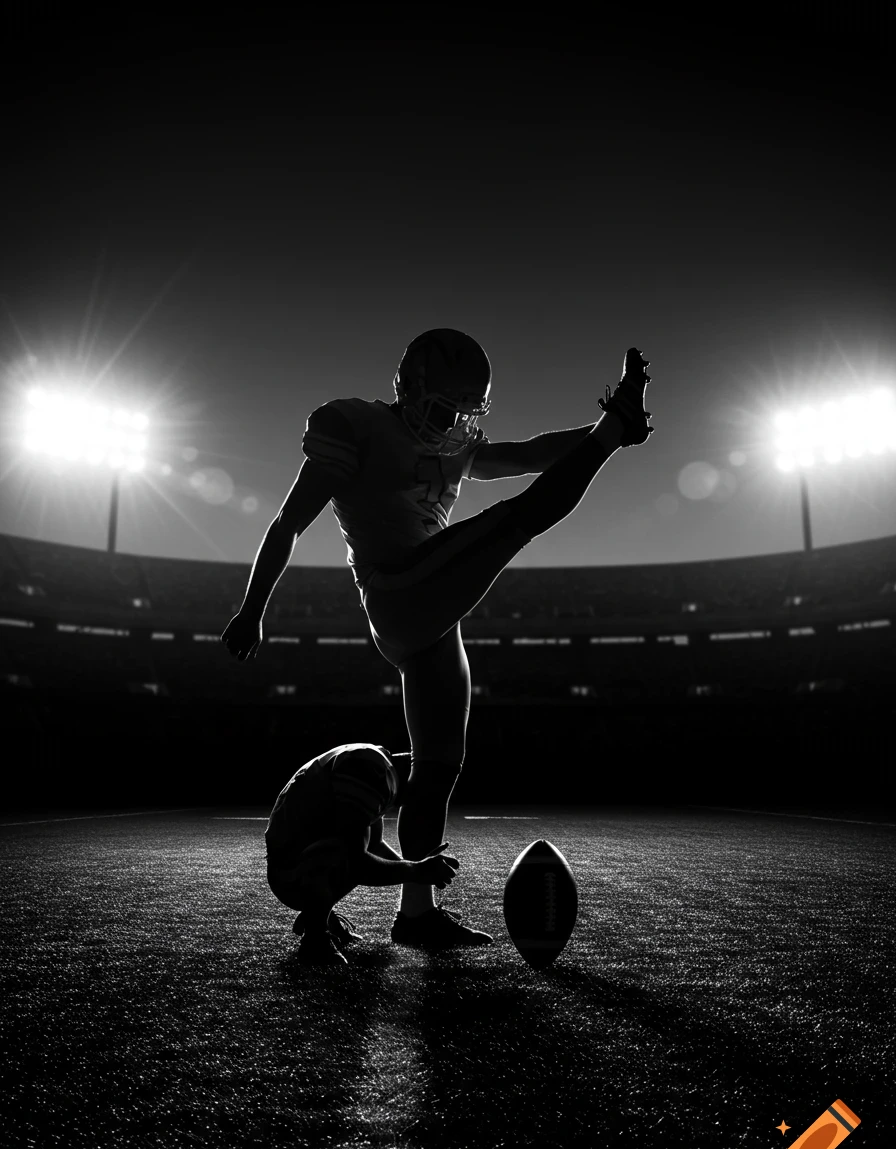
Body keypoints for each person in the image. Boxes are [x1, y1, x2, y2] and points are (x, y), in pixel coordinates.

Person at [222, 329, 654, 954]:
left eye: (462, 410)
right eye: (441, 407)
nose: (451, 422)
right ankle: (614, 428)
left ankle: (417, 915)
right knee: (514, 521)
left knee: (438, 767)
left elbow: (530, 453)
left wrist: (596, 433)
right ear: (408, 388)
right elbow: (289, 521)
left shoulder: (457, 444)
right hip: (396, 588)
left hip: (432, 604)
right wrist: (252, 608)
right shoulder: (355, 425)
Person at [265, 743, 459, 965]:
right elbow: (355, 861)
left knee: (347, 846)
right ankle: (315, 936)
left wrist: (415, 867)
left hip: (291, 864)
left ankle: (319, 915)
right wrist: (415, 870)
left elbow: (374, 845)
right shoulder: (371, 771)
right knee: (340, 851)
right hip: (290, 875)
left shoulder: (376, 765)